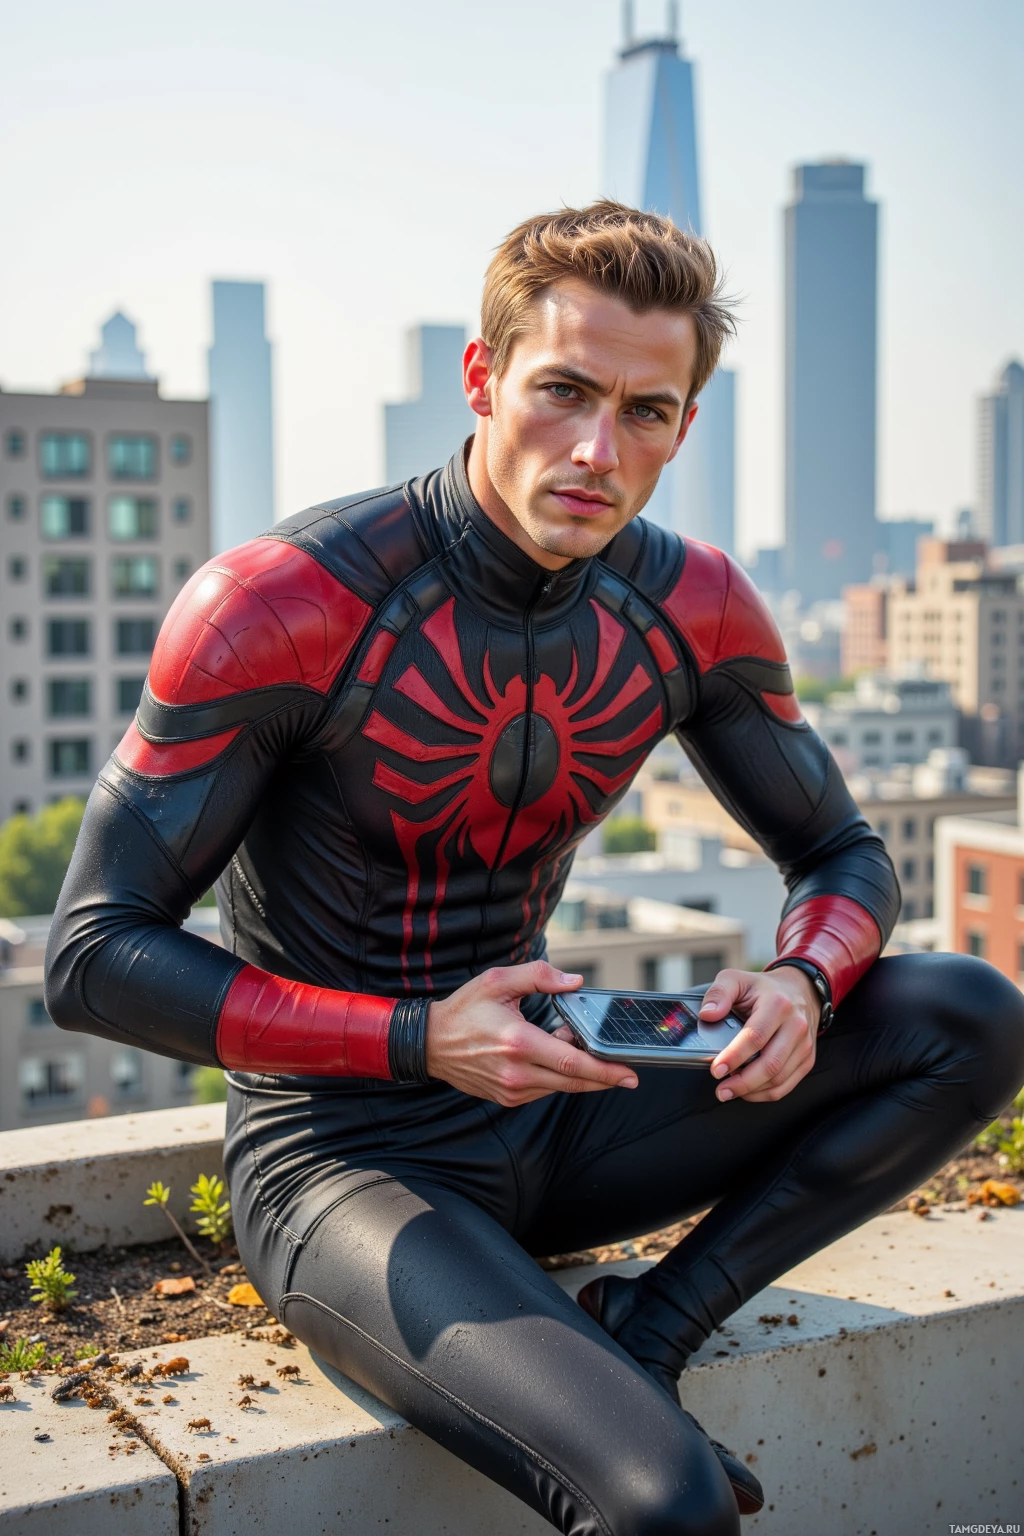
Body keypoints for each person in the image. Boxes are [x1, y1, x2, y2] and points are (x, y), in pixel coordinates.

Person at [46, 202, 1024, 1536]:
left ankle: (652, 1325)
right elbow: (92, 955)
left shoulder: (694, 606)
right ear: (483, 377)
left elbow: (842, 852)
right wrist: (415, 1037)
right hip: (345, 1160)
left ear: (684, 425)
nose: (596, 450)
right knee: (669, 1509)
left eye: (645, 412)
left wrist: (802, 981)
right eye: (564, 390)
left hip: (563, 1103)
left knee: (967, 1013)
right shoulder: (284, 603)